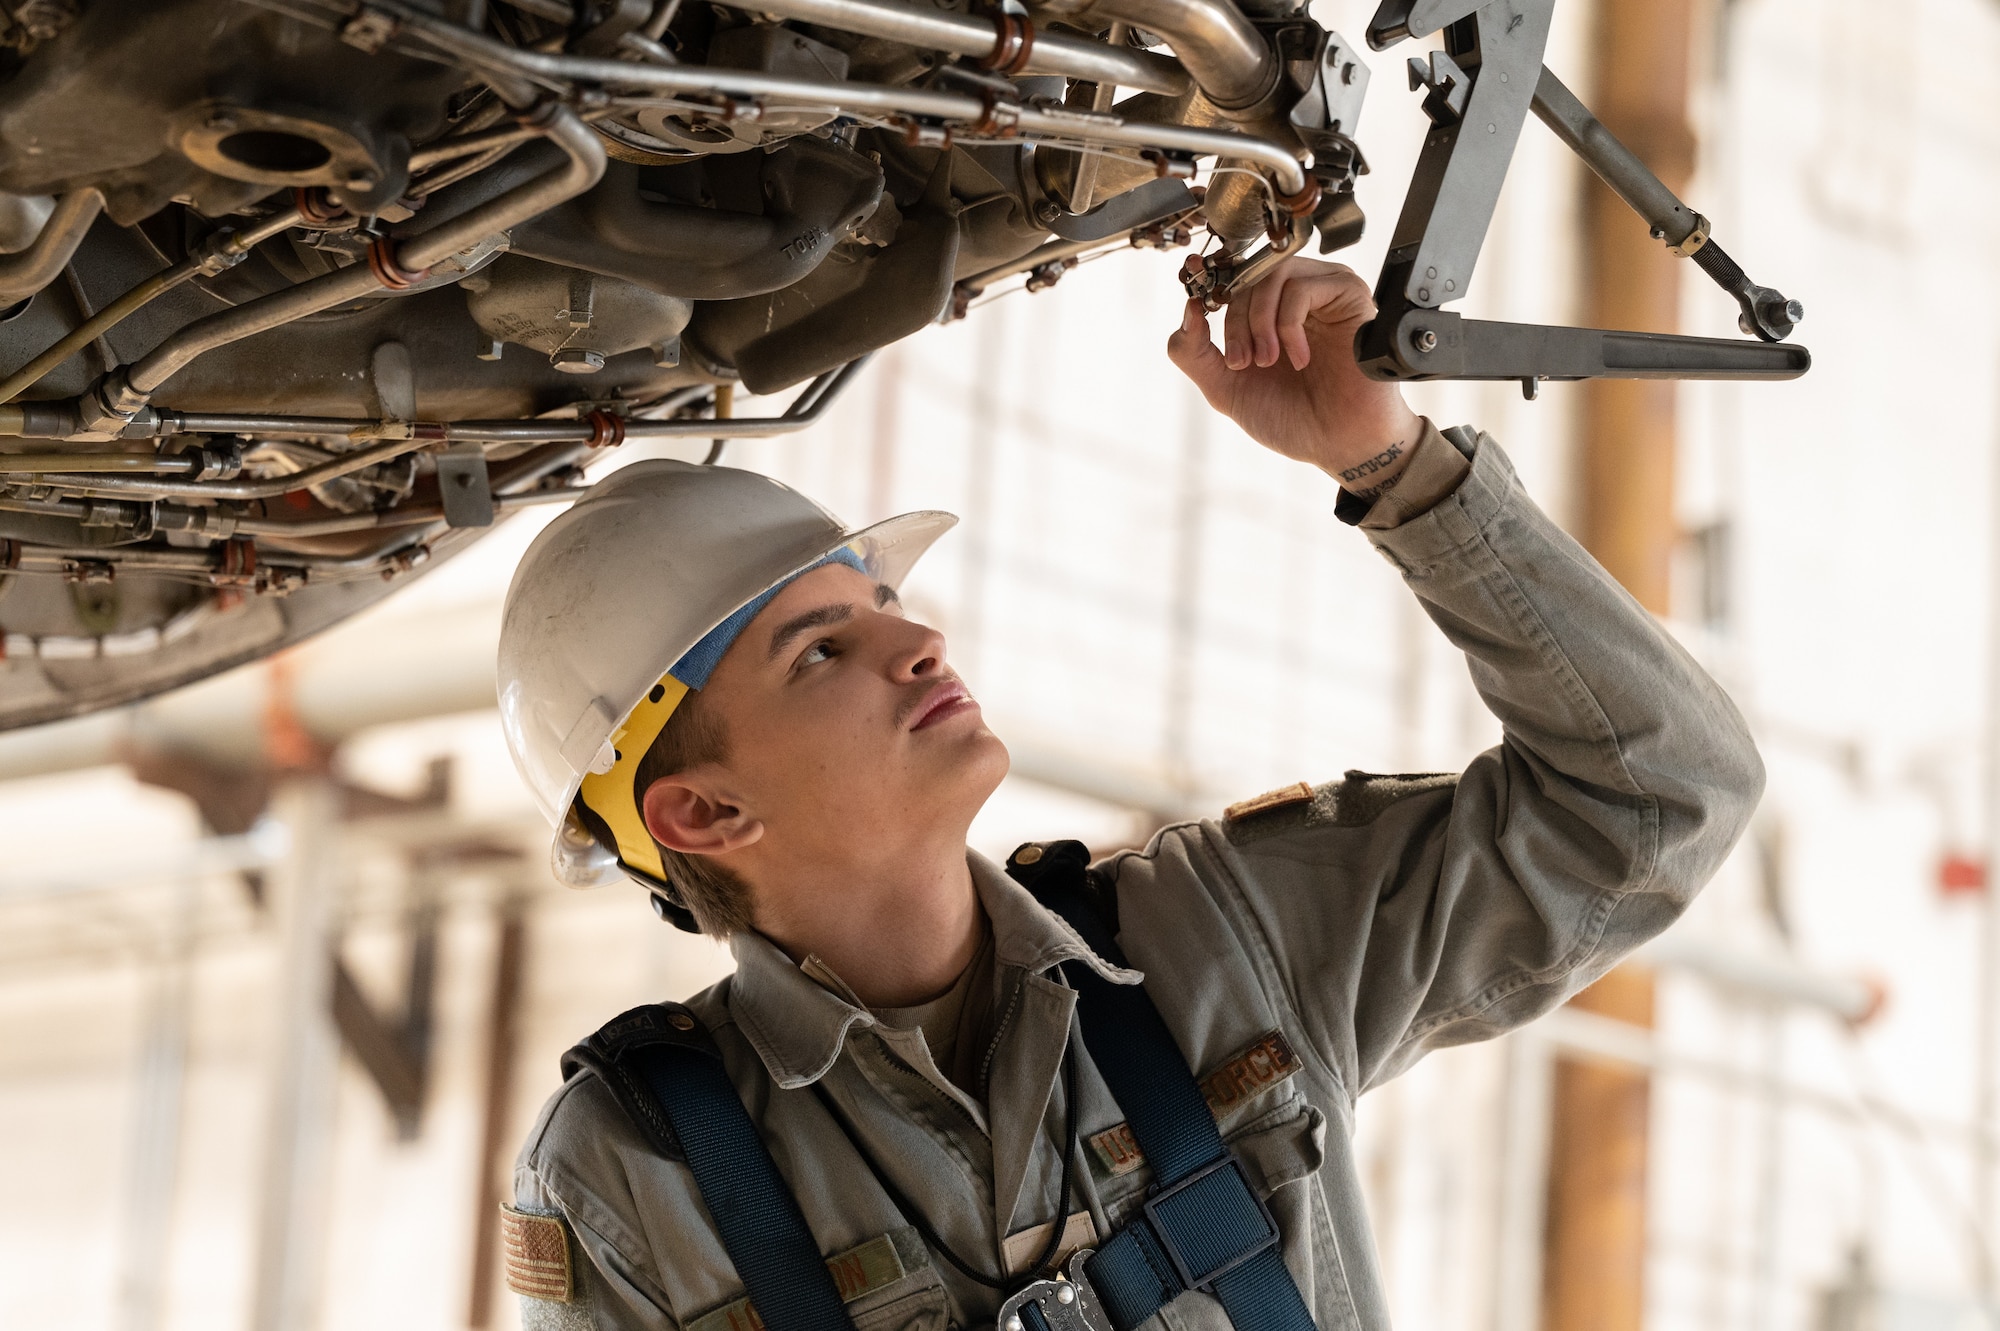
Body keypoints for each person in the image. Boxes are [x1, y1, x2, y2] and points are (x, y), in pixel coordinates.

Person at [492, 257, 1763, 1331]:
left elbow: (1655, 795)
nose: (920, 644)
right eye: (819, 650)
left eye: (880, 606)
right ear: (704, 815)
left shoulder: (1217, 944)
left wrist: (1390, 463)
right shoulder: (636, 1169)